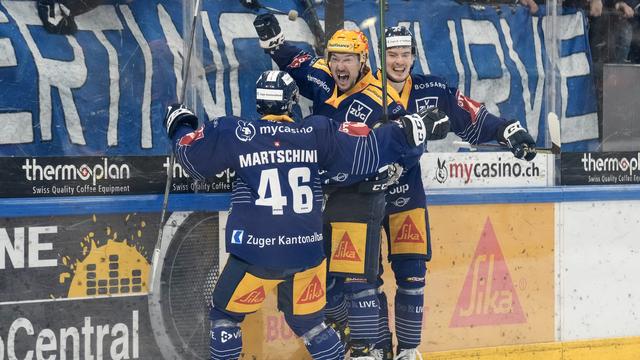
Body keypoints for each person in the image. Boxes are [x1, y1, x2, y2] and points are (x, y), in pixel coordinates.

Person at [163, 70, 431, 360]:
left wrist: (180, 122)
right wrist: (409, 129)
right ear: (291, 102)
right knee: (312, 324)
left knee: (225, 316)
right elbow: (367, 151)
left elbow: (190, 158)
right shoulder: (316, 132)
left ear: (258, 102)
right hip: (307, 254)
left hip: (257, 255)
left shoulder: (236, 133)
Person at [253, 14, 451, 360]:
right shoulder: (324, 78)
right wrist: (275, 43)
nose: (339, 66)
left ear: (363, 62)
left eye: (348, 59)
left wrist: (392, 166)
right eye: (335, 58)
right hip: (321, 195)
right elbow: (297, 62)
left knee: (359, 277)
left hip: (360, 195)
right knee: (327, 280)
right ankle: (364, 341)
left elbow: (408, 141)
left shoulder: (382, 99)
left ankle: (375, 349)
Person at [373, 26, 538, 360]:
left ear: (414, 57)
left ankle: (407, 350)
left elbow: (473, 119)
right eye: (392, 55)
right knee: (364, 280)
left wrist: (508, 130)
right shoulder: (364, 90)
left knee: (412, 275)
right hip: (364, 196)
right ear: (382, 57)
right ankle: (375, 349)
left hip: (407, 191)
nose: (399, 61)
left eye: (405, 54)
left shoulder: (432, 89)